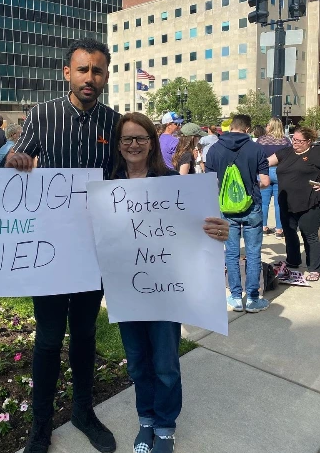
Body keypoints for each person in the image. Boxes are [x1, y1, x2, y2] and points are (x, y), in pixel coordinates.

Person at [6, 38, 120, 453]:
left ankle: (83, 411)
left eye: (98, 71)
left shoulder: (114, 122)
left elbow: (133, 180)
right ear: (67, 73)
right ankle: (40, 424)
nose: (90, 78)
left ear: (106, 76)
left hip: (93, 248)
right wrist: (15, 160)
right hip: (50, 249)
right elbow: (16, 161)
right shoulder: (42, 115)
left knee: (86, 335)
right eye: (83, 70)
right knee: (50, 339)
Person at [112, 112, 228, 453]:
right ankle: (145, 420)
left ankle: (165, 426)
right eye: (127, 139)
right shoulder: (108, 184)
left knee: (164, 363)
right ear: (118, 145)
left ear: (152, 141)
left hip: (165, 291)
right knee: (136, 362)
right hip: (126, 289)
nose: (134, 145)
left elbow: (200, 228)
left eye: (141, 138)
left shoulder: (171, 182)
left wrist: (220, 230)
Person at [206, 114, 270, 312]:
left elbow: (210, 182)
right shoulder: (257, 148)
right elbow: (266, 182)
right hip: (252, 207)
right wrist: (251, 188)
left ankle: (234, 297)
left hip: (226, 209)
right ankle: (252, 298)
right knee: (253, 253)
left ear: (231, 126)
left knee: (231, 254)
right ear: (248, 129)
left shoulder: (214, 149)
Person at [267, 126, 320, 281]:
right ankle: (293, 260)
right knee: (289, 233)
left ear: (309, 141)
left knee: (309, 235)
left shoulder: (316, 153)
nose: (295, 142)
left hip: (309, 201)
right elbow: (266, 162)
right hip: (286, 202)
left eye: (299, 141)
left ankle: (314, 268)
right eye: (293, 139)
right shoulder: (286, 152)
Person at [256, 117, 291, 238]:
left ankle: (263, 227)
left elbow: (257, 156)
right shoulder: (285, 141)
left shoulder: (261, 140)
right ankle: (279, 229)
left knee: (264, 202)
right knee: (279, 203)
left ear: (270, 126)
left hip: (264, 172)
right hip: (280, 172)